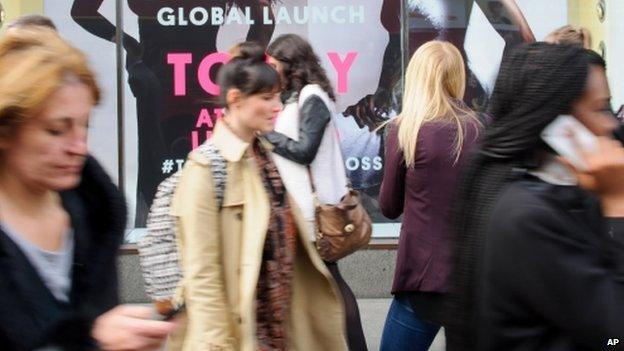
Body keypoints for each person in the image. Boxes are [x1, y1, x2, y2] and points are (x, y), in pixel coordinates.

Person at [0, 28, 175, 350]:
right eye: (56, 130)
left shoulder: (93, 215)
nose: (79, 147)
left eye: (85, 126)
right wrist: (91, 340)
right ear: (6, 129)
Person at [169, 42, 348, 351]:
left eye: (278, 95)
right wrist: (218, 344)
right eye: (267, 98)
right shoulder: (206, 167)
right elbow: (202, 277)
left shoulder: (263, 156)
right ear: (236, 100)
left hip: (281, 329)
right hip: (241, 336)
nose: (278, 106)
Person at [449, 43, 624, 350]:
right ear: (562, 128)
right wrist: (618, 203)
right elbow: (614, 337)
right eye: (601, 108)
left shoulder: (562, 194)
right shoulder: (529, 218)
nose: (612, 124)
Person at [71, 0, 277, 226]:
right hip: (166, 82)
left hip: (193, 80)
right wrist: (125, 41)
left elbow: (263, 21)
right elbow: (82, 11)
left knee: (198, 169)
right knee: (164, 169)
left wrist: (238, 70)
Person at [264, 33, 368, 351]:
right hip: (300, 213)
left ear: (290, 64)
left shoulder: (313, 97)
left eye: (274, 64)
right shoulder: (297, 98)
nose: (271, 71)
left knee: (331, 284)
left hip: (315, 215)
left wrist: (267, 135)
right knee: (325, 285)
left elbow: (304, 150)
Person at [377, 41, 483, 351]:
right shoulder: (483, 128)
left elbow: (388, 206)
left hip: (424, 278)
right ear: (457, 77)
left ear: (417, 77)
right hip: (472, 277)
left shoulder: (407, 130)